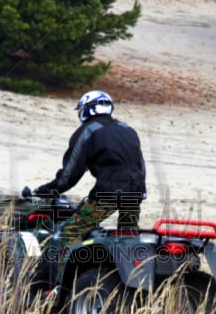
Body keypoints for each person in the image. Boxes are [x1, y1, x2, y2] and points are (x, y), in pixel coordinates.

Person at [33, 90, 147, 285]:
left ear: (86, 110)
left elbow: (70, 175)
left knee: (68, 233)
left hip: (108, 195)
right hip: (135, 194)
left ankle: (58, 288)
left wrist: (46, 190)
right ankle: (128, 283)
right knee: (126, 239)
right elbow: (140, 166)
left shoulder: (88, 130)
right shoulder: (128, 129)